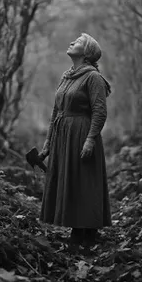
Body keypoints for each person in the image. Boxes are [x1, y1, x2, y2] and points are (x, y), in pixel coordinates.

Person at [39, 33, 112, 248]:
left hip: (81, 133)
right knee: (70, 179)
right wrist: (48, 142)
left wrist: (90, 139)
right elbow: (56, 111)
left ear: (87, 53)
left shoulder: (93, 78)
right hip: (64, 135)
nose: (71, 42)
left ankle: (86, 234)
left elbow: (100, 112)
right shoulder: (67, 76)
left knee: (83, 181)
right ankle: (77, 230)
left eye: (78, 42)